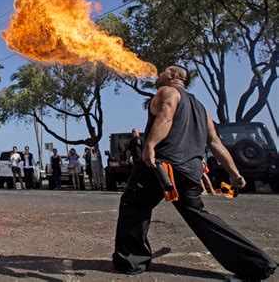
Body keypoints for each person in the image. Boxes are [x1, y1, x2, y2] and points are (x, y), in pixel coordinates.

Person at [112, 65, 276, 280]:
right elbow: (215, 142)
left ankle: (132, 261)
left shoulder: (167, 92)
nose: (157, 74)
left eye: (162, 72)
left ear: (171, 76)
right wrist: (235, 173)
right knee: (200, 216)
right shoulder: (200, 107)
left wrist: (150, 145)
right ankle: (257, 264)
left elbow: (166, 117)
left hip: (161, 166)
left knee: (135, 205)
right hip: (190, 172)